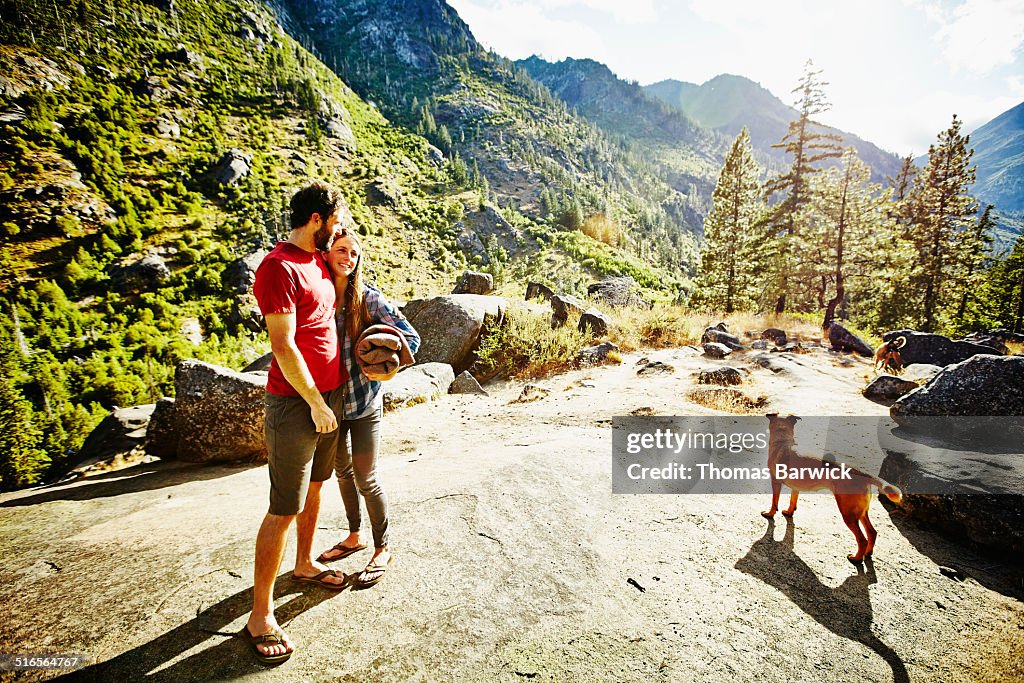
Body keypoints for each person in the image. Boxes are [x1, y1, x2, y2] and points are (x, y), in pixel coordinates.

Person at [244, 180, 349, 665]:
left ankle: (304, 564)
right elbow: (283, 346)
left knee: (315, 488)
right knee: (283, 507)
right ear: (316, 220)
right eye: (336, 220)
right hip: (296, 405)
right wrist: (314, 402)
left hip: (327, 397)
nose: (340, 227)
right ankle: (259, 614)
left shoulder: (317, 263)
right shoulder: (278, 268)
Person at [317, 224, 420, 589]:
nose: (348, 257)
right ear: (327, 253)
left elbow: (411, 338)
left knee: (366, 477)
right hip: (329, 406)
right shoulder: (319, 297)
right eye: (342, 250)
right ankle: (354, 535)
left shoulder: (369, 300)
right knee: (342, 474)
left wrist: (381, 357)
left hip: (363, 405)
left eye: (354, 253)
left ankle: (382, 547)